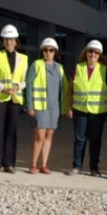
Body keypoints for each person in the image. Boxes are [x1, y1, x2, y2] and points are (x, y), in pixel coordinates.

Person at [0, 25, 28, 175]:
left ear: (16, 41)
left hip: (14, 98)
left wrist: (17, 87)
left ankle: (9, 163)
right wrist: (4, 89)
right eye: (6, 39)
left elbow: (24, 80)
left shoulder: (24, 58)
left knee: (11, 131)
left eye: (11, 39)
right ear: (3, 41)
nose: (9, 42)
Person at [66, 40, 107, 177]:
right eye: (90, 51)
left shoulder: (105, 70)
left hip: (98, 112)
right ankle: (76, 167)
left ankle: (94, 168)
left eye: (96, 52)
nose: (93, 54)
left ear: (100, 55)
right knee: (80, 139)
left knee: (95, 140)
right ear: (86, 53)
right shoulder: (78, 68)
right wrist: (69, 107)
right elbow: (70, 90)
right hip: (80, 110)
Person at [26, 37, 68, 174]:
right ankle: (33, 164)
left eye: (51, 50)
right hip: (40, 106)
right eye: (45, 50)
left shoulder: (60, 68)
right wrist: (29, 105)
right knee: (39, 136)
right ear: (42, 52)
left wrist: (65, 107)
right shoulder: (36, 65)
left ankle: (44, 165)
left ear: (55, 52)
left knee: (49, 136)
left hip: (54, 108)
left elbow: (65, 89)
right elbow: (29, 86)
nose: (48, 52)